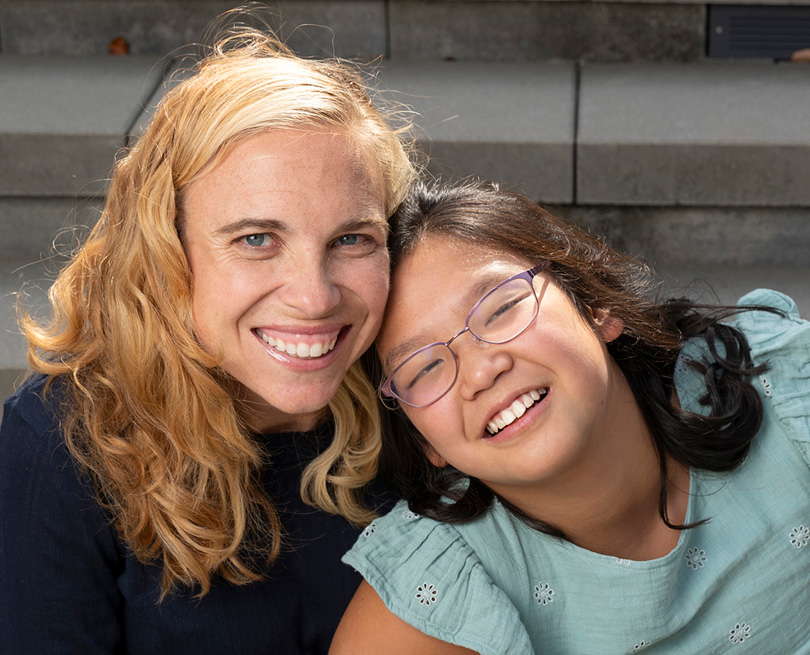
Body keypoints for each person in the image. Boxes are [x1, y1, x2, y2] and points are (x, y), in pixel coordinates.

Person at [0, 22, 415, 654]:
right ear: (167, 251)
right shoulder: (62, 444)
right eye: (256, 239)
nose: (315, 298)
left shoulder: (425, 398)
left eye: (352, 238)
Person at [331, 180, 810, 654]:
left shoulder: (784, 385)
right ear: (425, 443)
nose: (479, 372)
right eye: (424, 369)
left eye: (501, 308)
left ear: (596, 305)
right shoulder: (432, 599)